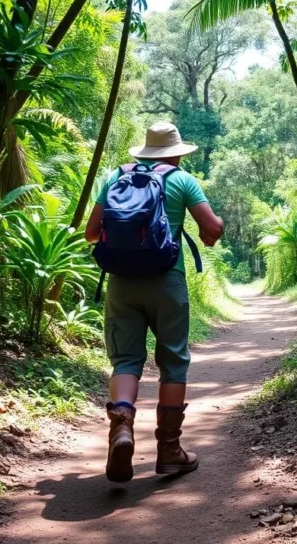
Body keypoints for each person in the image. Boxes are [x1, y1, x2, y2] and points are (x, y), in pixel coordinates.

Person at [84, 122, 224, 482]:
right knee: (173, 362)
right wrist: (212, 229)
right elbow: (212, 229)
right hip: (167, 280)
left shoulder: (117, 176)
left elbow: (91, 232)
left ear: (145, 151)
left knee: (126, 360)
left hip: (121, 284)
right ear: (176, 152)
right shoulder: (182, 180)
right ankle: (170, 450)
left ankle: (122, 428)